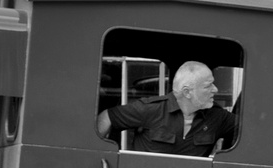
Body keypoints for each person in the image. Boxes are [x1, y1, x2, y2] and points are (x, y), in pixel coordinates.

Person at [96, 60, 238, 155]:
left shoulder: (219, 117)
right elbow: (107, 117)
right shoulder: (150, 109)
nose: (215, 89)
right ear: (187, 92)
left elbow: (251, 132)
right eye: (208, 86)